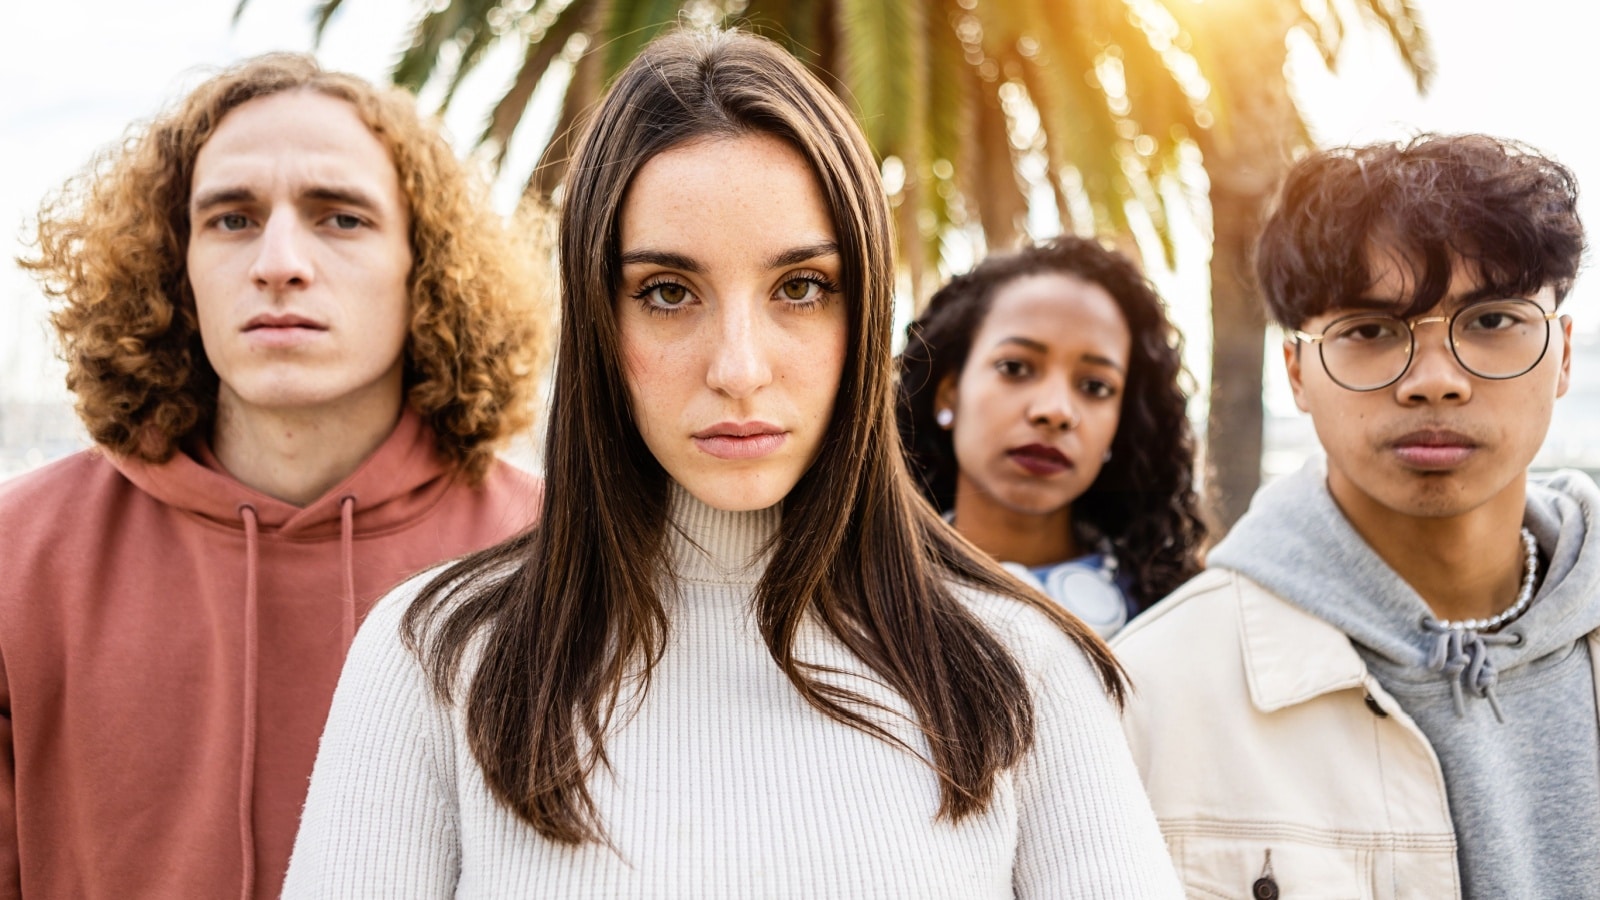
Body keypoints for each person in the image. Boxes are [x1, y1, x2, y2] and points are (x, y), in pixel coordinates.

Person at [282, 27, 1180, 898]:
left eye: (801, 288)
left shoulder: (1024, 671)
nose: (739, 368)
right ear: (600, 323)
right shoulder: (435, 662)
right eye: (669, 293)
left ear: (864, 311)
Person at [5, 54, 549, 899]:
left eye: (340, 218)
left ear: (426, 266)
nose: (280, 261)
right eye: (232, 218)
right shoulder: (19, 560)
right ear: (176, 264)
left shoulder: (553, 554)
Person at [1113, 134, 1593, 898]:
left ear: (1563, 353)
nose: (1435, 382)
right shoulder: (1150, 694)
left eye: (1492, 321)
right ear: (1298, 372)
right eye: (1370, 332)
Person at [898, 237, 1207, 636]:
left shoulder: (1175, 619)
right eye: (1015, 367)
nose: (1056, 411)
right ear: (949, 392)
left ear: (1121, 422)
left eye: (1095, 387)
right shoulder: (851, 597)